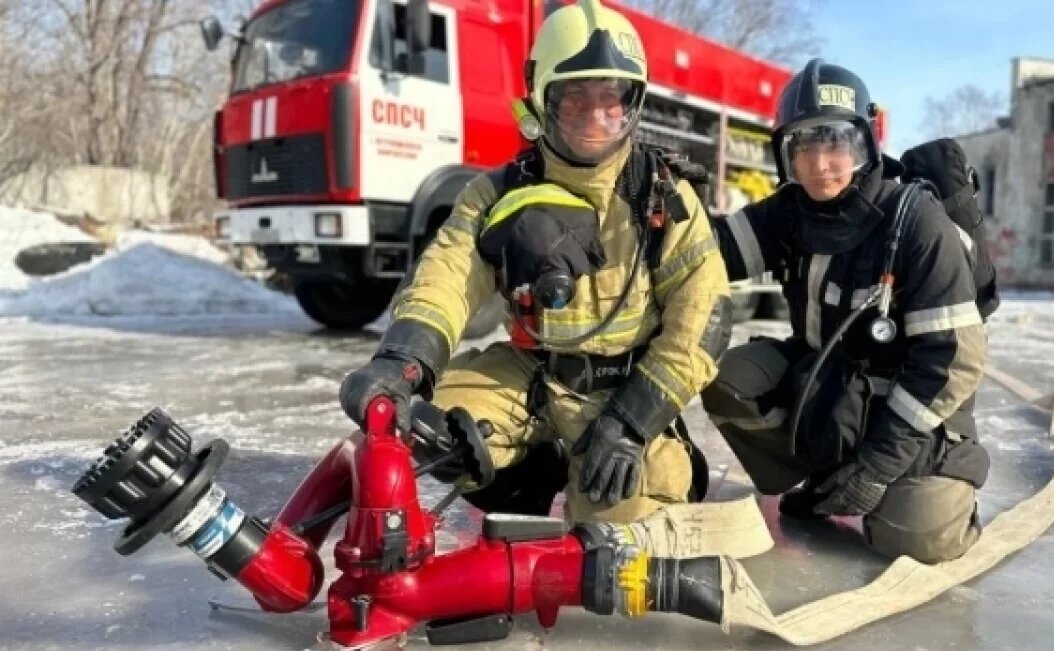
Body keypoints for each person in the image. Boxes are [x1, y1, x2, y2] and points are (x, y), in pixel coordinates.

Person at [339, 0, 731, 523]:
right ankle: (534, 474)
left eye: (611, 100)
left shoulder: (665, 196)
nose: (595, 118)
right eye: (574, 99)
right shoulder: (494, 193)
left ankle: (643, 464)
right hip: (533, 373)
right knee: (437, 432)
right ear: (542, 102)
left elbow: (704, 319)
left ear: (632, 103)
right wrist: (400, 360)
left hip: (625, 391)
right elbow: (445, 278)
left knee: (622, 524)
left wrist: (635, 422)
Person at [700, 59, 991, 564]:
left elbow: (953, 365)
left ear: (866, 139)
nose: (819, 165)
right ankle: (826, 478)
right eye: (802, 146)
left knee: (917, 541)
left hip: (911, 406)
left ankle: (928, 490)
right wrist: (664, 205)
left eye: (835, 142)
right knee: (728, 380)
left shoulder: (917, 223)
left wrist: (878, 466)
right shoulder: (790, 210)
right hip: (831, 392)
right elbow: (708, 251)